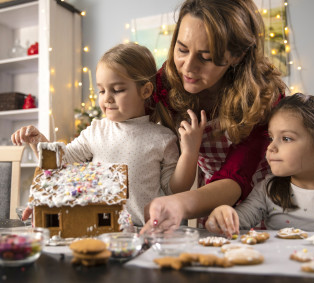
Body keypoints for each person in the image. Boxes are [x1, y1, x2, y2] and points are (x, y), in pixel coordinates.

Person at [11, 43, 206, 226]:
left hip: (145, 231)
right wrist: (38, 142)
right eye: (102, 91)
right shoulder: (96, 131)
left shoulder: (162, 138)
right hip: (101, 229)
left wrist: (190, 152)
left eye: (118, 90)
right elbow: (62, 161)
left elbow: (175, 189)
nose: (107, 99)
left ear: (145, 90)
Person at [142, 0, 287, 232]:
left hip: (261, 202)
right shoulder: (167, 81)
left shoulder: (262, 99)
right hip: (208, 200)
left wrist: (178, 204)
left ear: (237, 56)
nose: (188, 67)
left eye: (206, 57)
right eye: (182, 49)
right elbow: (131, 122)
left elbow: (237, 175)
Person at [206, 93, 314, 237]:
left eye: (286, 138)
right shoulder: (268, 191)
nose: (271, 147)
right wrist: (222, 215)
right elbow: (235, 224)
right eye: (271, 138)